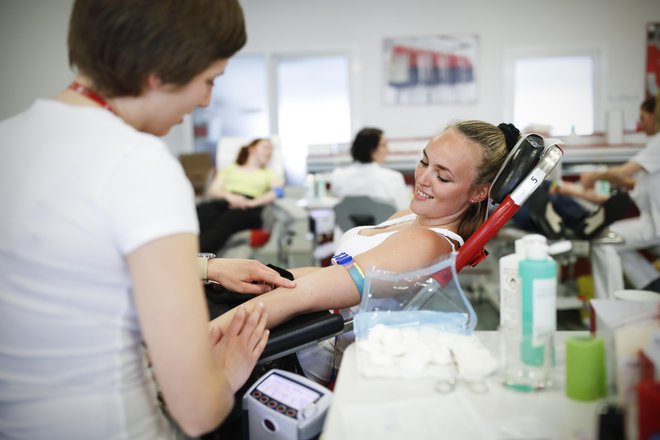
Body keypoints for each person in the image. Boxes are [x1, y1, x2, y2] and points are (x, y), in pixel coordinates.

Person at [0, 1, 296, 438]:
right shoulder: (139, 163)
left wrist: (205, 266)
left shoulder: (11, 138)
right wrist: (227, 374)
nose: (204, 101)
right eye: (208, 80)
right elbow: (197, 410)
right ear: (157, 72)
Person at [211, 119, 512, 383]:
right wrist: (269, 275)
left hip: (304, 354)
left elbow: (302, 295)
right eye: (424, 162)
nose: (422, 178)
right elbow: (335, 274)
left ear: (478, 192)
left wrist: (202, 340)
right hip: (302, 321)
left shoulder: (425, 242)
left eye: (443, 176)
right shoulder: (412, 215)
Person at [583, 94, 660, 297]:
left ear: (654, 115)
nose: (640, 124)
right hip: (651, 222)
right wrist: (606, 178)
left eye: (643, 118)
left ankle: (610, 307)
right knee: (617, 245)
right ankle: (653, 287)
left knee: (604, 239)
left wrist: (593, 177)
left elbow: (623, 172)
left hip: (655, 225)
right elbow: (634, 182)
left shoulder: (658, 143)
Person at [197, 138, 284, 253]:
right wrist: (229, 196)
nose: (269, 152)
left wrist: (251, 203)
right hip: (226, 200)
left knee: (228, 220)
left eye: (271, 149)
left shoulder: (268, 174)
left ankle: (197, 258)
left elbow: (279, 192)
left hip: (249, 208)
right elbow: (212, 191)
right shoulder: (230, 169)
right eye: (265, 147)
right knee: (202, 211)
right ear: (251, 149)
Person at [330, 127, 411, 211]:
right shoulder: (393, 178)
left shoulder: (339, 176)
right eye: (383, 145)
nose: (387, 150)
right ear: (371, 149)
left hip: (351, 224)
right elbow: (403, 211)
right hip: (385, 224)